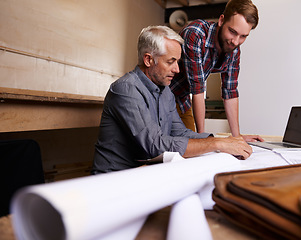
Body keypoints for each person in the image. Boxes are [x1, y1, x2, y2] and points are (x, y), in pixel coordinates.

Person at [92, 25, 253, 173]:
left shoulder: (166, 91)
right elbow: (155, 146)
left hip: (142, 173)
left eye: (178, 61)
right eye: (171, 62)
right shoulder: (126, 90)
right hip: (113, 179)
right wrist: (217, 144)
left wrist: (224, 141)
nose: (177, 69)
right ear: (148, 60)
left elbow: (180, 133)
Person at [170, 0, 264, 142]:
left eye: (243, 36)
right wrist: (204, 139)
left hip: (182, 100)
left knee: (191, 145)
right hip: (161, 95)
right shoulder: (195, 34)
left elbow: (230, 92)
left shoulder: (234, 50)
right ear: (221, 20)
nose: (235, 41)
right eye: (232, 32)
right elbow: (198, 89)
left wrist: (237, 137)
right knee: (183, 145)